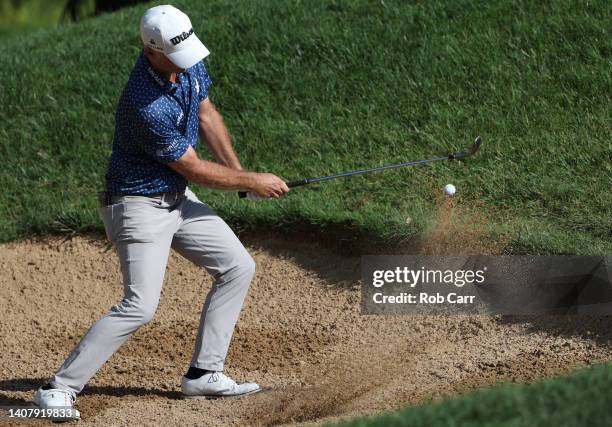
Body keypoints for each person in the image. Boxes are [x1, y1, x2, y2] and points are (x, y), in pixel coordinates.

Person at [34, 4, 289, 420]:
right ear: (151, 52)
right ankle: (57, 389)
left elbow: (206, 113)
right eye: (174, 56)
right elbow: (191, 166)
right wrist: (251, 181)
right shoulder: (144, 103)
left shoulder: (185, 64)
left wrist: (242, 175)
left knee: (237, 266)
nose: (184, 64)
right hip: (137, 207)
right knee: (140, 305)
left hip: (176, 199)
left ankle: (204, 373)